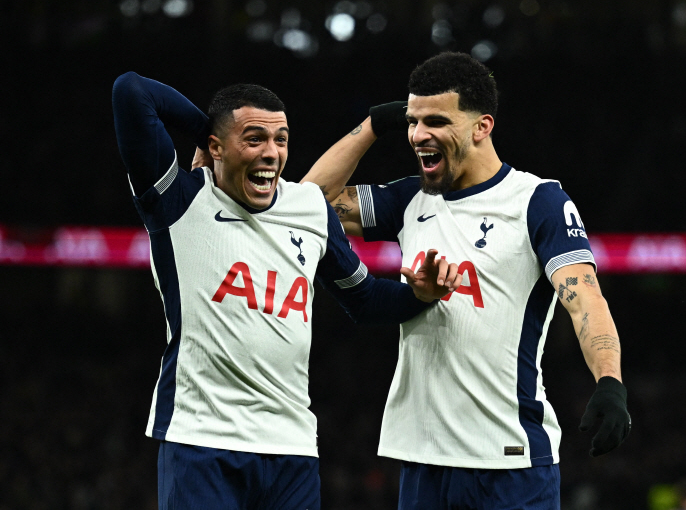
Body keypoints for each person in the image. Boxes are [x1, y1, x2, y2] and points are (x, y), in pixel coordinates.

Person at [111, 71, 463, 510]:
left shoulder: (309, 207)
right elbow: (131, 91)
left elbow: (366, 300)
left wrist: (420, 295)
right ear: (216, 146)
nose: (272, 153)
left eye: (281, 139)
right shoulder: (180, 200)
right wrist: (211, 130)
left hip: (292, 448)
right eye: (254, 139)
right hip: (201, 440)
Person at [301, 51, 631, 509]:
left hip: (510, 460)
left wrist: (609, 380)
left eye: (436, 121)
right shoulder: (409, 199)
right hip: (421, 457)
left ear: (482, 126)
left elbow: (584, 301)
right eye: (413, 122)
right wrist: (375, 124)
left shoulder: (537, 201)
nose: (418, 135)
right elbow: (306, 205)